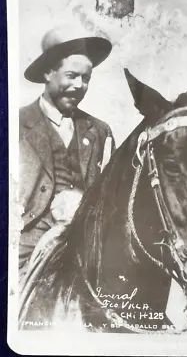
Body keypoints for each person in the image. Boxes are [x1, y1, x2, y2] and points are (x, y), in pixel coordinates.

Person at [19, 24, 115, 278]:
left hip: (88, 239)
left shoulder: (100, 131)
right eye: (71, 75)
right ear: (48, 73)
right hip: (28, 244)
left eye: (86, 79)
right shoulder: (15, 125)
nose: (79, 85)